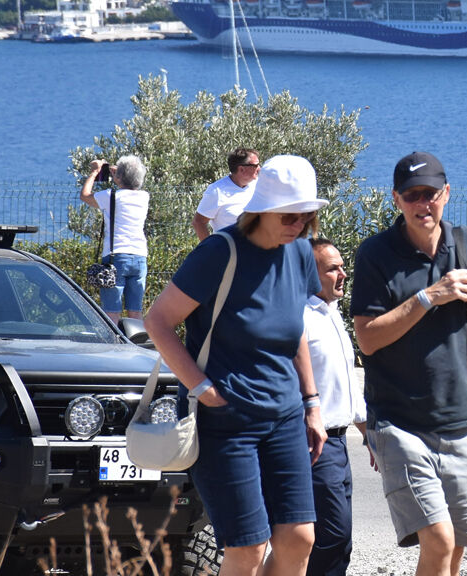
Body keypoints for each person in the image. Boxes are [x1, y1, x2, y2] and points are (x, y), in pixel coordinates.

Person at [144, 155, 330, 576]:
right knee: (248, 548)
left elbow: (294, 327)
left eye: (305, 215)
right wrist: (202, 389)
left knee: (300, 538)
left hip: (284, 416)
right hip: (226, 423)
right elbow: (157, 320)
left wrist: (312, 403)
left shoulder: (301, 253)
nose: (298, 224)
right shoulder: (219, 252)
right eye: (288, 215)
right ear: (260, 210)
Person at [350, 151, 467, 576]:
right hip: (400, 423)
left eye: (431, 194)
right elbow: (367, 339)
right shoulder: (376, 255)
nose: (424, 204)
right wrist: (429, 296)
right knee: (438, 539)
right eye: (413, 196)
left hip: (464, 420)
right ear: (397, 200)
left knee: (457, 545)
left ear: (447, 194)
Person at [304, 237, 372, 576]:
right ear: (309, 273)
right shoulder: (301, 318)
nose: (343, 274)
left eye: (343, 267)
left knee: (338, 539)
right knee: (331, 534)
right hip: (316, 446)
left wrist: (367, 432)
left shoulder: (331, 314)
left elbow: (345, 386)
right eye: (333, 269)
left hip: (340, 444)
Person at [79, 155, 149, 321]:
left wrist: (95, 172)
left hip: (116, 256)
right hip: (139, 257)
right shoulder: (144, 197)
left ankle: (114, 345)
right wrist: (121, 173)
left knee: (112, 312)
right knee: (135, 311)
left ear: (119, 177)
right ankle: (134, 343)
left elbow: (85, 195)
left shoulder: (110, 196)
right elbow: (131, 182)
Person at [194, 147, 261, 240]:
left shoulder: (259, 185)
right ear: (241, 169)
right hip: (230, 250)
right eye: (256, 165)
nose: (259, 168)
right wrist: (211, 249)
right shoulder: (217, 191)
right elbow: (198, 222)